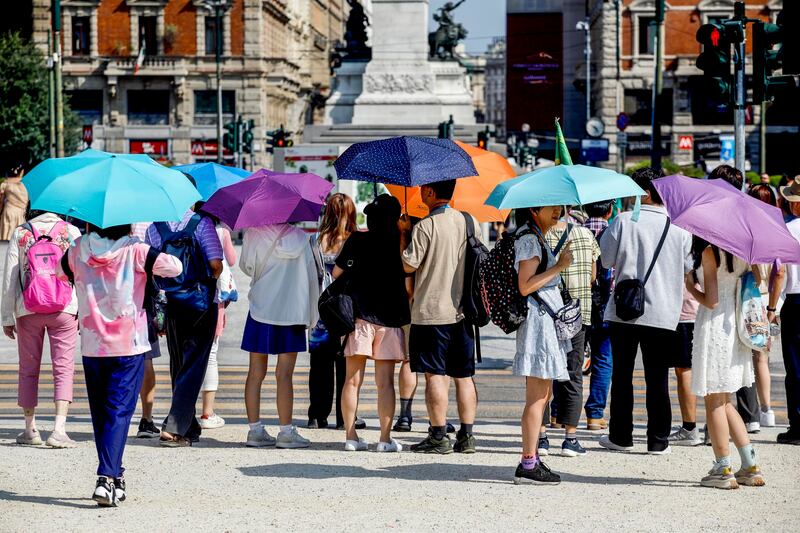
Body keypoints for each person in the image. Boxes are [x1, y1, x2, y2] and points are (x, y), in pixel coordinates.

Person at [63, 222, 181, 506]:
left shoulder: (78, 249)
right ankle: (105, 477)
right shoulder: (137, 251)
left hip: (92, 344)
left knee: (102, 414)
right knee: (119, 413)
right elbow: (174, 267)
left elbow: (61, 272)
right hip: (129, 343)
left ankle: (116, 477)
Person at [598, 167, 693, 455]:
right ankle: (658, 440)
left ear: (645, 193)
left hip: (624, 310)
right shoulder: (680, 228)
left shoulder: (624, 221)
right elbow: (688, 268)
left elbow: (605, 260)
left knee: (623, 374)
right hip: (664, 311)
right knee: (658, 377)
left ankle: (621, 437)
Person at [400, 179, 481, 454]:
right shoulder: (469, 222)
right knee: (464, 375)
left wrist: (404, 234)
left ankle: (438, 435)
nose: (421, 192)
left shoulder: (425, 226)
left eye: (424, 189)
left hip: (431, 312)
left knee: (434, 375)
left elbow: (408, 264)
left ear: (431, 192)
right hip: (464, 312)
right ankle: (467, 436)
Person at [334, 194, 411, 452]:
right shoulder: (401, 243)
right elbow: (409, 282)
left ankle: (350, 436)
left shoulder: (357, 239)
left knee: (351, 381)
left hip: (359, 318)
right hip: (389, 320)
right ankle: (385, 439)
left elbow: (336, 274)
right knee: (385, 383)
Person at [686, 244, 766, 489]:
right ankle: (749, 465)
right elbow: (759, 279)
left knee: (713, 400)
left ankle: (722, 468)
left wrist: (691, 287)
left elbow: (711, 301)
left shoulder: (709, 252)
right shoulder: (743, 250)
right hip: (737, 327)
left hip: (715, 325)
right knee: (725, 400)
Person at [145, 200, 223, 447]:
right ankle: (174, 426)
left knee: (179, 363)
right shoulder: (202, 223)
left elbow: (150, 266)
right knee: (194, 364)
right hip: (200, 303)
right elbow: (215, 264)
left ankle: (189, 425)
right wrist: (210, 276)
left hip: (171, 303)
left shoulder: (155, 228)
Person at [1, 210, 80, 447]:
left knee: (28, 368)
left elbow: (10, 277)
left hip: (28, 307)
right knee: (64, 367)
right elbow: (80, 272)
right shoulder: (70, 231)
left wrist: (7, 316)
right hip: (64, 307)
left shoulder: (21, 232)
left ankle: (30, 429)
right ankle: (59, 429)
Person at [240, 220, 318, 449]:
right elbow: (311, 277)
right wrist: (311, 315)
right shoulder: (302, 238)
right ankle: (286, 431)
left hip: (261, 308)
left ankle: (255, 430)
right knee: (285, 375)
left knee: (255, 373)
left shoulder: (253, 232)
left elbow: (246, 267)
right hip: (291, 312)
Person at [512, 206, 574, 484]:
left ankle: (533, 458)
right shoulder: (529, 240)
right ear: (535, 209)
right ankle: (528, 463)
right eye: (553, 208)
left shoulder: (537, 237)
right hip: (538, 328)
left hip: (544, 326)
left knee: (542, 396)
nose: (559, 213)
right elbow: (525, 286)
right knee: (537, 398)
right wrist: (559, 266)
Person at [543, 212, 600, 456]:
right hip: (577, 314)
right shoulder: (587, 235)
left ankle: (541, 437)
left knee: (542, 374)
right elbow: (593, 276)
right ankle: (570, 438)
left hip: (546, 313)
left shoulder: (540, 235)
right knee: (574, 374)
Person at [710, 165, 761, 433]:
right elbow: (760, 277)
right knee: (740, 367)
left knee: (716, 386)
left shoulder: (709, 227)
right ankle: (750, 419)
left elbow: (707, 290)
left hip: (714, 312)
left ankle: (717, 434)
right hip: (740, 307)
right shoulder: (747, 223)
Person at [307, 193, 356, 430]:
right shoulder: (353, 240)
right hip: (346, 310)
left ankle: (317, 414)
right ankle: (344, 416)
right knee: (345, 364)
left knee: (319, 365)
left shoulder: (315, 240)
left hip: (320, 309)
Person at [768, 175, 800, 446]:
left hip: (796, 301)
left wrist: (772, 307)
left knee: (796, 367)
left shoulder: (788, 231)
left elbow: (780, 274)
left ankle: (798, 425)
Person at [199, 222, 237, 430]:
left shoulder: (178, 225)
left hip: (182, 298)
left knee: (183, 356)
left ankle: (180, 411)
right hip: (212, 298)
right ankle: (207, 412)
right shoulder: (220, 231)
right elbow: (231, 260)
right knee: (211, 355)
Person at [746, 184, 778, 429]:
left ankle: (755, 413)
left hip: (752, 298)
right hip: (771, 299)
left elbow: (756, 270)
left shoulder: (750, 230)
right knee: (762, 357)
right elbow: (781, 273)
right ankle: (766, 410)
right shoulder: (777, 228)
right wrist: (774, 307)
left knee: (751, 357)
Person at [582, 201, 614, 431]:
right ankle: (594, 415)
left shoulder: (573, 232)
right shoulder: (614, 232)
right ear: (610, 210)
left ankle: (558, 414)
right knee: (603, 361)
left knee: (570, 359)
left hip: (576, 306)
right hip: (605, 307)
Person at [130, 221, 161, 438]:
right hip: (142, 299)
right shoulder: (155, 223)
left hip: (109, 302)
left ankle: (112, 416)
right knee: (146, 358)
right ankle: (146, 418)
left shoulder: (118, 214)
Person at [668, 279, 702, 446]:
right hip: (707, 311)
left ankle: (690, 428)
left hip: (685, 311)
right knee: (707, 369)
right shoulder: (712, 252)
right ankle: (714, 427)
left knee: (684, 369)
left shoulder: (685, 252)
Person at [0, 165, 30, 240]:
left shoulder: (5, 184)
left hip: (9, 212)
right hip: (22, 213)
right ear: (21, 172)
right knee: (19, 238)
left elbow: (1, 201)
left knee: (6, 238)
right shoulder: (27, 184)